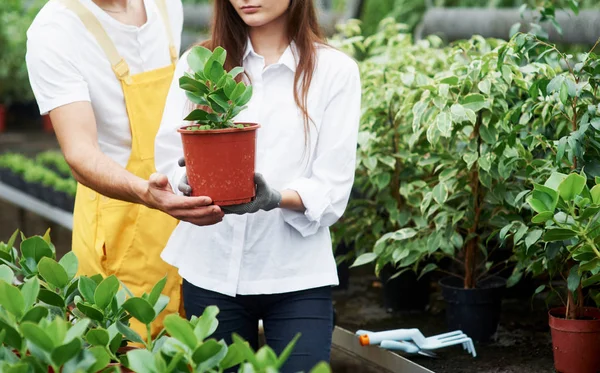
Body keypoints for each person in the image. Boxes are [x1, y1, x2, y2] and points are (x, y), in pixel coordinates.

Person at [155, 0, 361, 370]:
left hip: (296, 274)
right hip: (211, 270)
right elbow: (171, 155)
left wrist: (275, 198)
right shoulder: (199, 66)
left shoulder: (334, 71)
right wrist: (186, 181)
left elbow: (333, 186)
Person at [25, 0, 224, 336]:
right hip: (120, 225)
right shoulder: (56, 29)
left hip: (187, 217)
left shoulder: (166, 5)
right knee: (127, 347)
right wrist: (145, 192)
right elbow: (79, 151)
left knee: (193, 347)